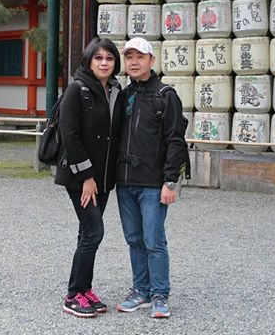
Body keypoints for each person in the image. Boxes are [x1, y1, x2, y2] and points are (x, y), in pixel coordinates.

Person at [115, 37, 187, 319]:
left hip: (153, 184)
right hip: (125, 181)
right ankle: (140, 290)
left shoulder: (165, 95)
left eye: (140, 57)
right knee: (134, 239)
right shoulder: (124, 95)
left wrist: (170, 181)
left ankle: (160, 294)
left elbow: (175, 141)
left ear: (151, 60)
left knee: (154, 240)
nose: (134, 62)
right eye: (129, 57)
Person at [55, 36, 122, 318]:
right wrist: (86, 176)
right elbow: (69, 135)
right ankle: (73, 295)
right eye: (99, 58)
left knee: (87, 233)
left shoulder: (115, 90)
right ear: (89, 60)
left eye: (109, 58)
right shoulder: (77, 89)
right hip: (80, 177)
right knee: (94, 231)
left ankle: (84, 289)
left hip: (103, 177)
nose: (104, 63)